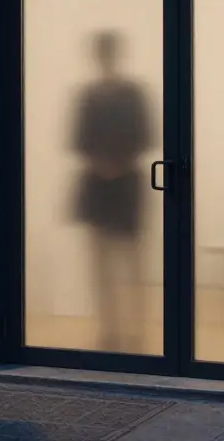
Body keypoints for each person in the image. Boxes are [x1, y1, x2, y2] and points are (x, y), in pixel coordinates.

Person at [71, 30, 151, 353]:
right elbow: (77, 139)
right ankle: (110, 330)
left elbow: (145, 135)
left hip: (126, 184)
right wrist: (101, 164)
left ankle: (134, 332)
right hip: (98, 186)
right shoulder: (88, 95)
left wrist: (117, 164)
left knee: (132, 264)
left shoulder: (133, 94)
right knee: (101, 265)